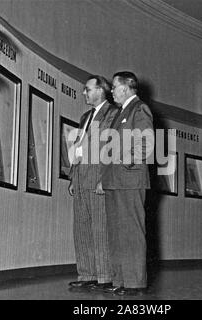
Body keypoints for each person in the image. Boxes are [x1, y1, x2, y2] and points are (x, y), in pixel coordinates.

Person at [95, 71, 154, 296]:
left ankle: (135, 283)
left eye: (114, 87)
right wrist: (105, 179)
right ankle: (120, 280)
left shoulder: (139, 108)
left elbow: (146, 142)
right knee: (117, 233)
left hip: (130, 179)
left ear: (126, 88)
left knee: (131, 232)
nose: (111, 91)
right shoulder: (120, 113)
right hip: (115, 181)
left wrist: (124, 160)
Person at [68, 75, 119, 290]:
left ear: (101, 90)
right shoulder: (85, 117)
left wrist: (104, 179)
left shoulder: (114, 114)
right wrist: (73, 176)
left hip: (98, 178)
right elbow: (79, 147)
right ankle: (87, 274)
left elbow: (114, 149)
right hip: (80, 179)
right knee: (81, 228)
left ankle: (105, 276)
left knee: (100, 228)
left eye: (87, 89)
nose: (84, 93)